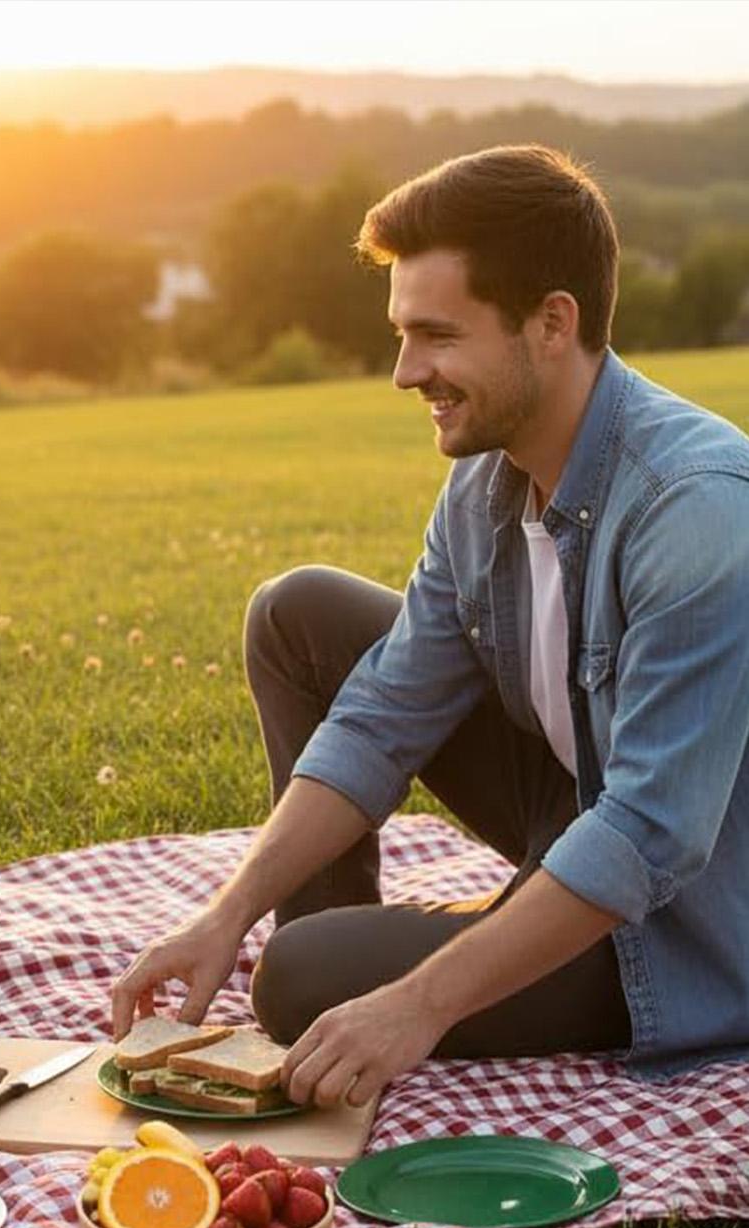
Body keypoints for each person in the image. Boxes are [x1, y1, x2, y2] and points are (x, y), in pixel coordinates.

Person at [112, 145, 749, 1109]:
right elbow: (382, 714)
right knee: (303, 612)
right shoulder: (483, 485)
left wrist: (418, 1003)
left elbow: (650, 837)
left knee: (300, 982)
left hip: (680, 924)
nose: (407, 372)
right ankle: (333, 951)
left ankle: (341, 984)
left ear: (552, 324)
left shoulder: (693, 507)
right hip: (574, 803)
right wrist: (225, 914)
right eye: (402, 335)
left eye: (437, 336)